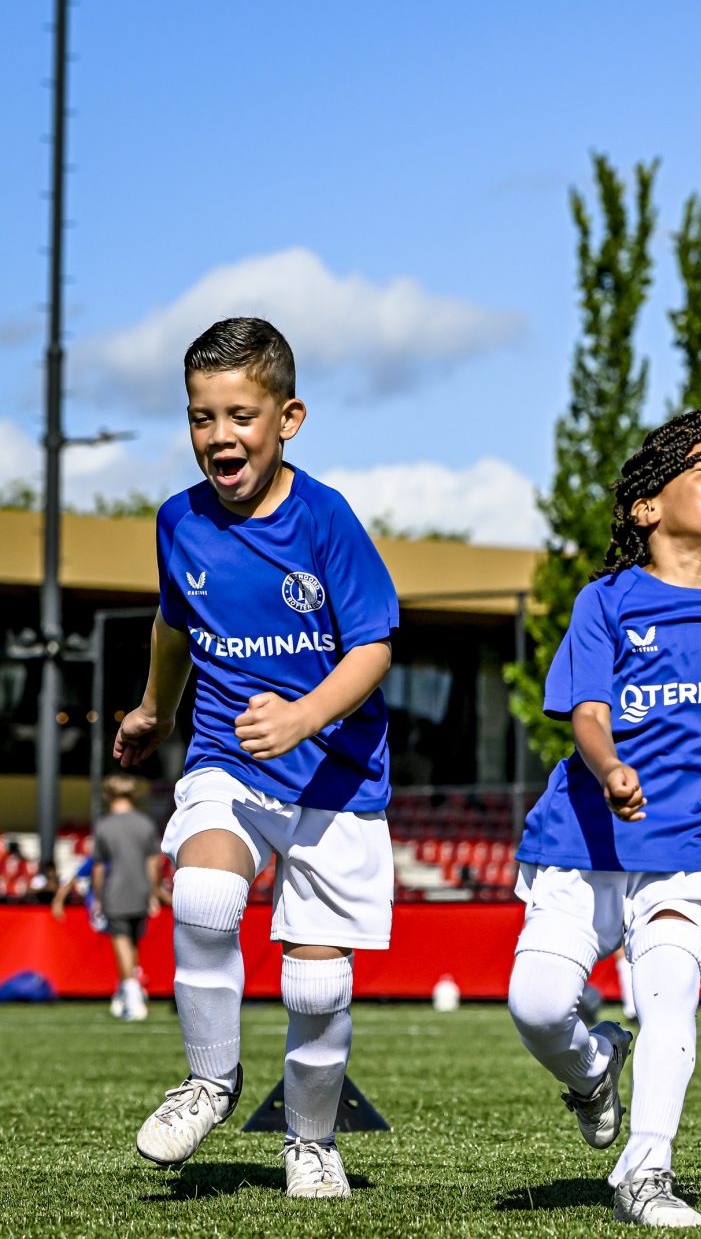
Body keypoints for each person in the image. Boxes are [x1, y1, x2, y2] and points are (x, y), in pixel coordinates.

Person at [505, 380, 701, 1228]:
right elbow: (588, 711)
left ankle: (646, 1171)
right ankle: (593, 1065)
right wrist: (608, 766)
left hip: (691, 848)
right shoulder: (605, 600)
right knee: (536, 1003)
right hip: (584, 837)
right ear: (646, 505)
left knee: (670, 993)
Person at [116, 317, 400, 1200]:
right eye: (202, 417)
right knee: (204, 891)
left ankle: (311, 1142)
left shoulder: (327, 518)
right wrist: (156, 709)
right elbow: (173, 623)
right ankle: (210, 1078)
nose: (219, 436)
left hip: (337, 779)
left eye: (240, 414)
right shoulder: (178, 521)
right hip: (227, 761)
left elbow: (374, 647)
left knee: (316, 990)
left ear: (289, 417)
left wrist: (306, 716)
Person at [52, 776, 169, 1020]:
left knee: (121, 942)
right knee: (134, 943)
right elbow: (152, 863)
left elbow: (98, 867)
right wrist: (153, 891)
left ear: (107, 796)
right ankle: (126, 992)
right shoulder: (145, 824)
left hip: (116, 890)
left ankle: (132, 995)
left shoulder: (105, 826)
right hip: (141, 890)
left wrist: (99, 896)